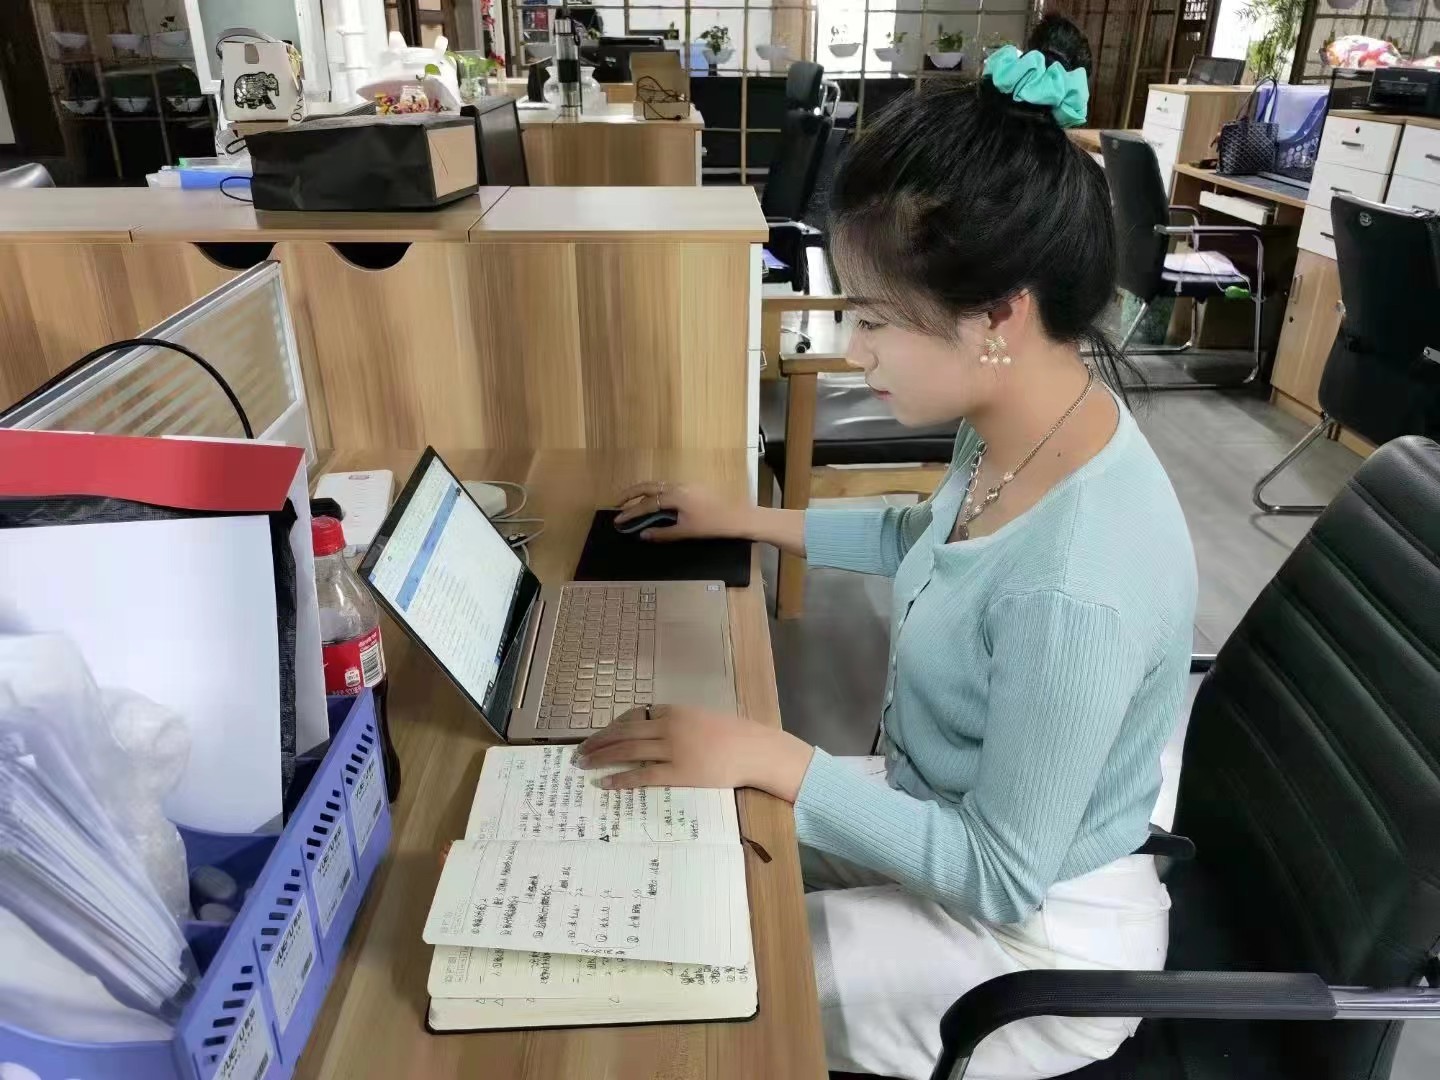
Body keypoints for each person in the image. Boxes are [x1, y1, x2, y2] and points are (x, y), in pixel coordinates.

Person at [576, 15, 1197, 1080]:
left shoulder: (1078, 583)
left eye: (872, 320)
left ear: (997, 316)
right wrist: (742, 518)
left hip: (1034, 941)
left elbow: (999, 874)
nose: (854, 353)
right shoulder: (1026, 417)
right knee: (690, 834)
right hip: (946, 813)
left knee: (703, 980)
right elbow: (929, 534)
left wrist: (778, 757)